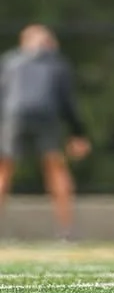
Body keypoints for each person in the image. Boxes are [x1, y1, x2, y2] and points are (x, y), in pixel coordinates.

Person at [0, 26, 91, 239]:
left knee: (4, 170)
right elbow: (68, 102)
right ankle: (66, 230)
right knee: (55, 168)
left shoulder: (10, 62)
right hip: (47, 116)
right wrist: (78, 134)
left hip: (14, 116)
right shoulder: (57, 64)